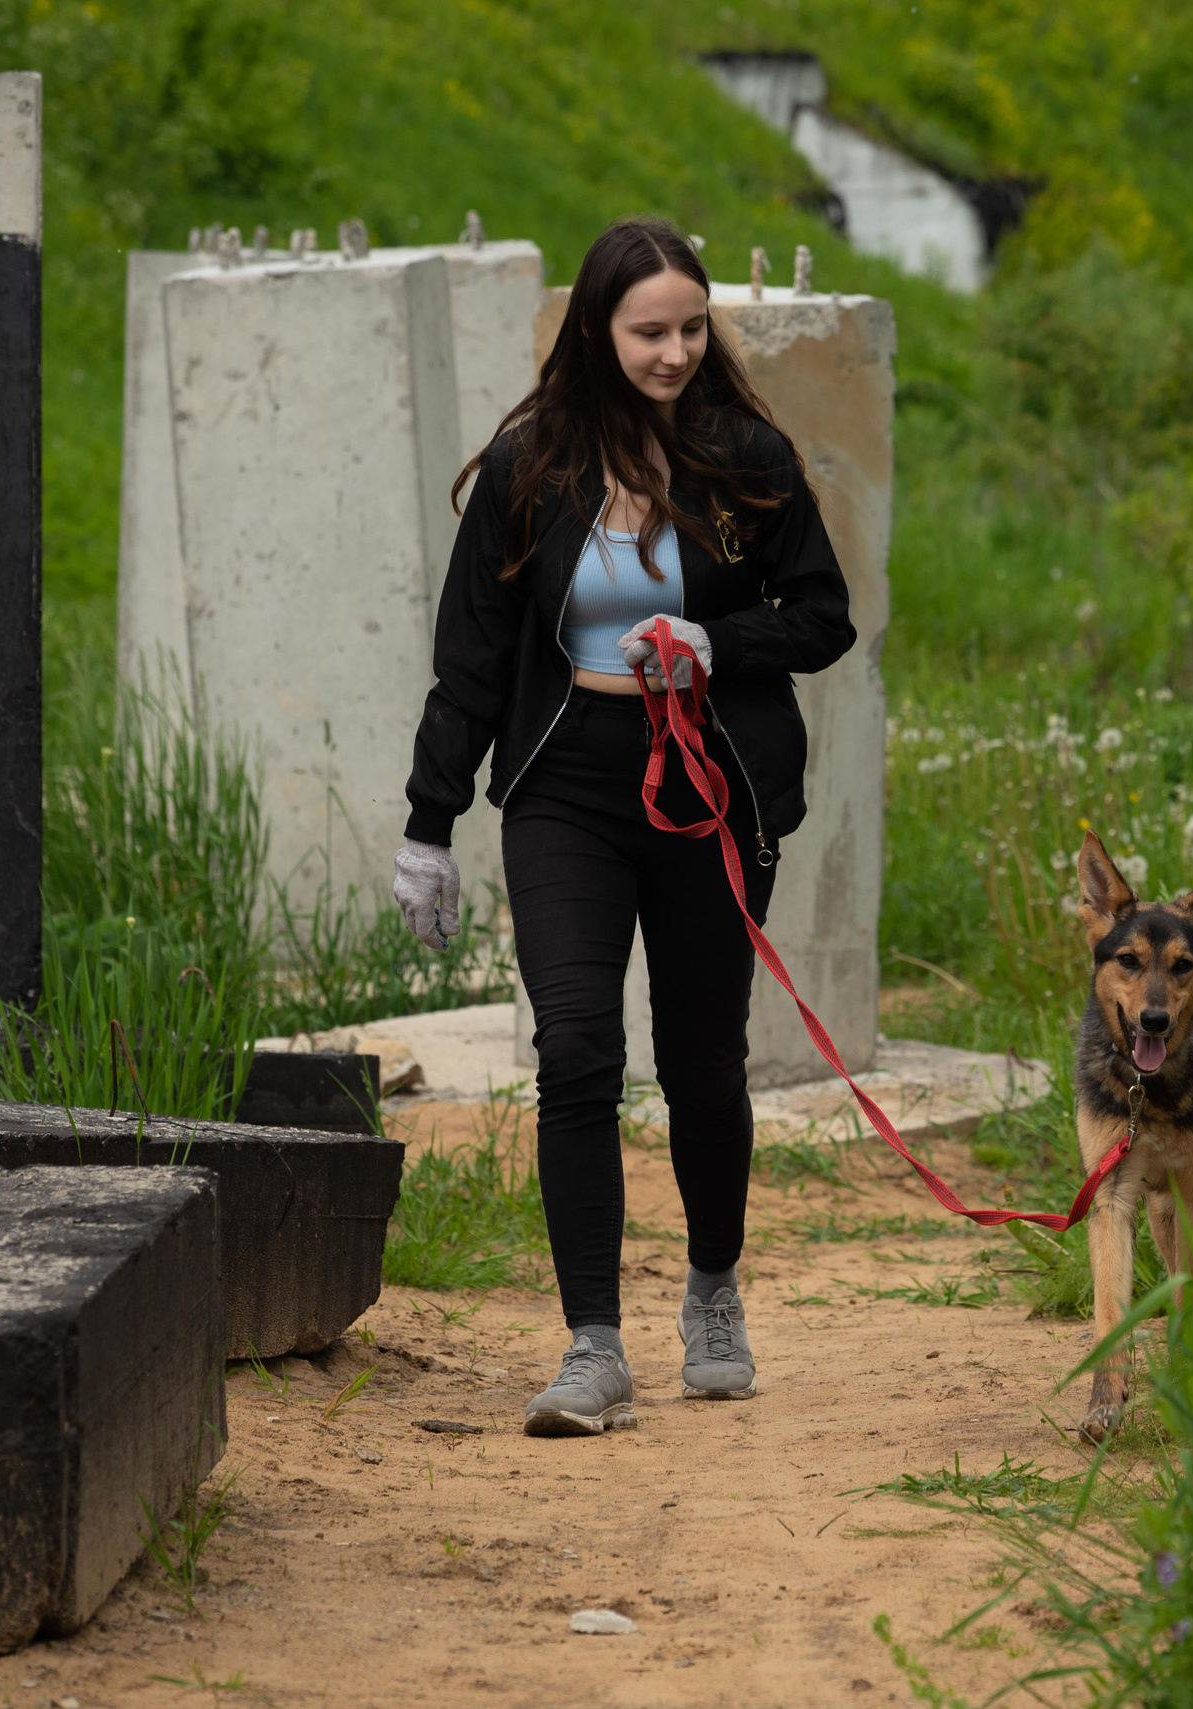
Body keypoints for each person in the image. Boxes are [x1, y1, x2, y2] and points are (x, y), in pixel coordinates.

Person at [394, 218, 855, 1437]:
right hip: (566, 788)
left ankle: (712, 1290)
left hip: (707, 785)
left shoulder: (747, 456)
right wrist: (426, 822)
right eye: (650, 330)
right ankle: (591, 1343)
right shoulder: (530, 466)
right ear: (597, 329)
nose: (674, 350)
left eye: (692, 328)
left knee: (704, 1061)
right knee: (578, 1048)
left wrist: (717, 641)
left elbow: (821, 616)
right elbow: (470, 662)